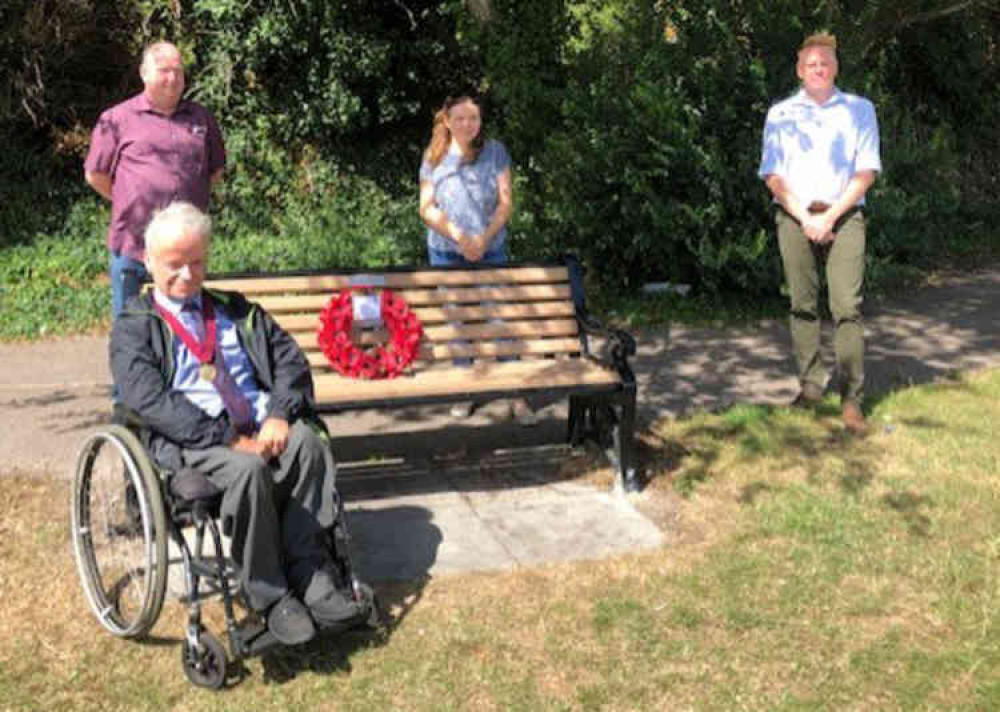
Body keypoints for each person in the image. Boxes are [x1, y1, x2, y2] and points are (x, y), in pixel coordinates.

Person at [110, 202, 371, 646]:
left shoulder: (236, 310)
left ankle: (310, 574)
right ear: (149, 261)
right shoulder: (134, 327)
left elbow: (290, 361)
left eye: (197, 263)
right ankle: (268, 595)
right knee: (247, 471)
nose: (188, 276)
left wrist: (278, 415)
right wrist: (228, 438)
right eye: (175, 265)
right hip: (194, 438)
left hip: (261, 424)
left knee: (307, 443)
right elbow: (148, 400)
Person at [758, 32, 881, 434]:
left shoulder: (860, 110)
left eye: (825, 62)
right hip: (794, 215)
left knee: (846, 307)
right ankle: (811, 387)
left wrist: (829, 218)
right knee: (802, 305)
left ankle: (851, 401)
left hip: (844, 215)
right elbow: (773, 176)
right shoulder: (780, 114)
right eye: (811, 64)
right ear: (799, 69)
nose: (818, 69)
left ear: (835, 67)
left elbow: (865, 174)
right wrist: (806, 218)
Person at [84, 41, 226, 323]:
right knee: (131, 326)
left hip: (185, 251)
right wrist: (127, 198)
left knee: (188, 325)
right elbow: (95, 175)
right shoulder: (116, 119)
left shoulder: (201, 118)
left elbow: (215, 171)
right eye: (164, 70)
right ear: (144, 73)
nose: (172, 78)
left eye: (178, 71)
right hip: (133, 245)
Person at [418, 93, 534, 423]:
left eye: (474, 118)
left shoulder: (495, 151)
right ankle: (466, 390)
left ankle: (516, 394)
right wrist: (459, 236)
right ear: (447, 121)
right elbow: (425, 207)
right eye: (460, 118)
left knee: (500, 321)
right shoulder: (434, 156)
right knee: (458, 324)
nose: (468, 124)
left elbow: (505, 203)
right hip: (446, 252)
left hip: (490, 248)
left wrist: (482, 238)